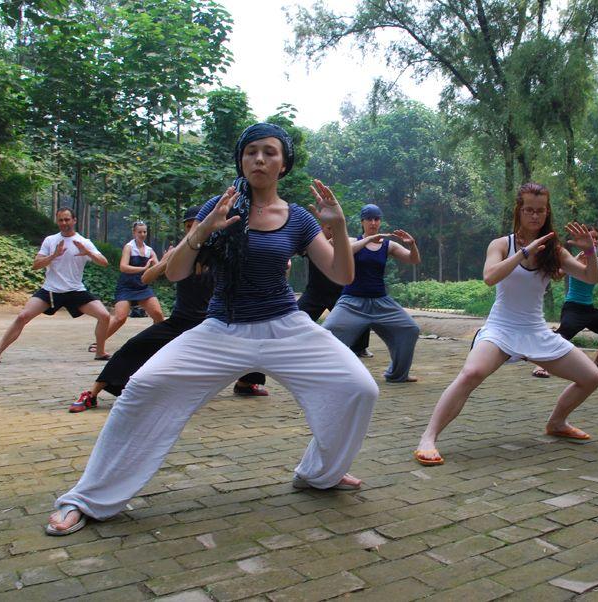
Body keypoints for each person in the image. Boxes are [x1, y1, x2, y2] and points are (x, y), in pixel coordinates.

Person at [46, 123, 378, 536]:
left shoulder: (299, 218)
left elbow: (342, 275)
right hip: (223, 328)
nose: (260, 159)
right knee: (145, 386)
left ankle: (320, 473)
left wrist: (339, 226)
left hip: (286, 326)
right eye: (251, 151)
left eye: (270, 152)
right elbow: (176, 272)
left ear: (283, 163)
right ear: (241, 159)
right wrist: (203, 230)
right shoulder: (220, 206)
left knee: (358, 388)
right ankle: (87, 498)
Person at [414, 183, 598, 466]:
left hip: (536, 330)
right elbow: (490, 277)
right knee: (471, 373)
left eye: (540, 210)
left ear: (547, 212)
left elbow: (591, 278)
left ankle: (557, 422)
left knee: (592, 377)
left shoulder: (554, 250)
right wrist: (524, 252)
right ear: (519, 210)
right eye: (529, 210)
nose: (535, 216)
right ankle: (428, 438)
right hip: (500, 328)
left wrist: (590, 252)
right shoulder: (502, 245)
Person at [68, 207, 271, 413]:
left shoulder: (222, 252)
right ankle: (92, 394)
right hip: (181, 321)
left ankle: (245, 383)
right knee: (134, 346)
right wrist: (165, 262)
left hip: (214, 322)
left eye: (196, 225)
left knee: (253, 339)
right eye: (188, 226)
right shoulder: (180, 252)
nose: (192, 229)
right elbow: (146, 278)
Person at [0, 207, 111, 364]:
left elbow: (104, 262)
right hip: (51, 290)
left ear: (74, 220)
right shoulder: (50, 240)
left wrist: (88, 252)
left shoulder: (84, 242)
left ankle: (100, 352)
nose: (64, 223)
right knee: (22, 316)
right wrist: (54, 255)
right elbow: (36, 265)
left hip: (75, 291)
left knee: (104, 316)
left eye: (67, 219)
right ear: (57, 221)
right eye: (61, 220)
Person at [322, 203, 421, 383]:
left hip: (381, 303)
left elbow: (413, 259)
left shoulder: (388, 245)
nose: (373, 223)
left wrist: (412, 245)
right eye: (369, 219)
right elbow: (337, 248)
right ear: (362, 222)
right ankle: (327, 374)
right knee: (328, 331)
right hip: (352, 302)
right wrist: (368, 240)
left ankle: (398, 374)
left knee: (410, 329)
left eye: (376, 219)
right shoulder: (353, 241)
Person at [533, 226, 598, 378]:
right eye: (591, 237)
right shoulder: (573, 259)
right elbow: (557, 276)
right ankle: (541, 364)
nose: (594, 240)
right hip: (573, 308)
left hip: (589, 310)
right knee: (562, 335)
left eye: (596, 238)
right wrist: (571, 263)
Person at [297, 223, 371, 356]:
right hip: (315, 293)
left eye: (335, 229)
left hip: (339, 293)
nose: (332, 231)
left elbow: (356, 242)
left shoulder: (345, 244)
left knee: (361, 314)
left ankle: (360, 348)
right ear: (321, 228)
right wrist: (324, 244)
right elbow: (299, 248)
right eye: (329, 228)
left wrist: (339, 242)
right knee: (295, 317)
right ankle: (290, 345)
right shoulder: (313, 243)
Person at [100, 221, 165, 345]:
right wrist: (143, 269)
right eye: (139, 232)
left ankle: (154, 341)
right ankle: (99, 342)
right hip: (126, 287)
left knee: (158, 315)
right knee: (120, 318)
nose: (142, 234)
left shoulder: (150, 251)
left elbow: (159, 270)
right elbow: (123, 267)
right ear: (134, 233)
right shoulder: (129, 247)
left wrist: (166, 260)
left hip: (143, 287)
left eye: (144, 232)